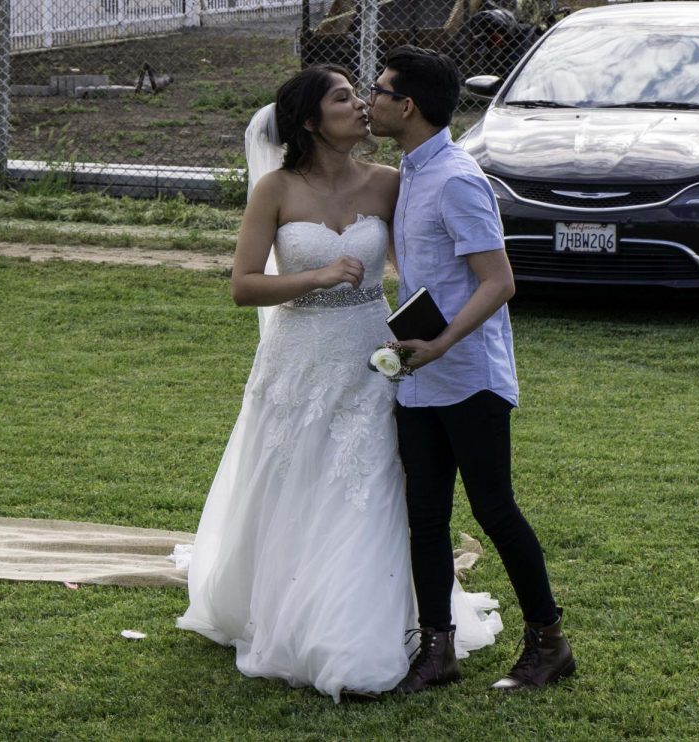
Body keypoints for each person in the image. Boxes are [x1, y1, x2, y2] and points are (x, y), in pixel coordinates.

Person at [176, 64, 501, 703]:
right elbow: (243, 286)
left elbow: (425, 267)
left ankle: (367, 626)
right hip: (299, 358)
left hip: (371, 352)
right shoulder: (275, 189)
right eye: (344, 98)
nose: (361, 106)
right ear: (308, 120)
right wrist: (315, 277)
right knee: (297, 481)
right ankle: (287, 608)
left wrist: (433, 336)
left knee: (375, 484)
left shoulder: (390, 183)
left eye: (363, 94)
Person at [366, 46, 576, 694]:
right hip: (419, 375)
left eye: (378, 91)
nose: (369, 100)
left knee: (494, 510)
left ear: (407, 106)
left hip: (469, 379)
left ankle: (549, 643)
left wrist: (444, 343)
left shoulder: (458, 177)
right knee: (423, 516)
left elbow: (499, 281)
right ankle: (438, 653)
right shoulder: (410, 173)